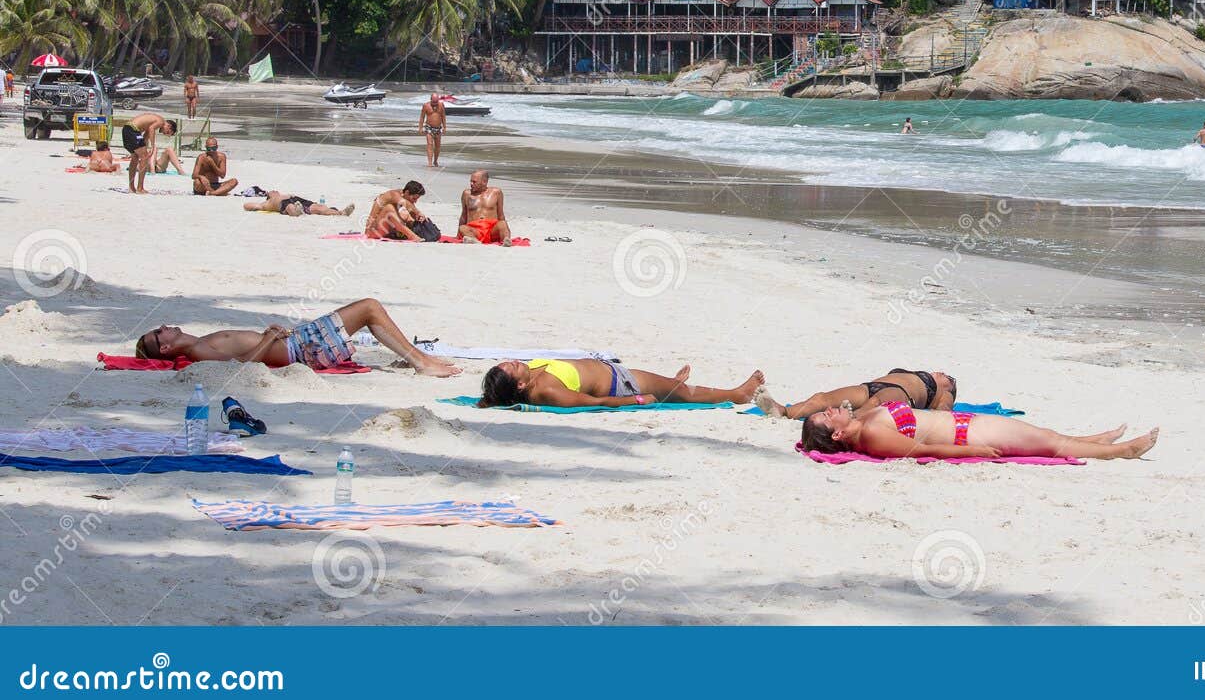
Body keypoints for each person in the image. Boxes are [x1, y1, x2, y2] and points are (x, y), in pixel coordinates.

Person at [133, 297, 460, 377]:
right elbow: (243, 367)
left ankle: (421, 358)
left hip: (297, 342)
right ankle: (420, 361)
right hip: (300, 349)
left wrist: (268, 336)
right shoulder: (199, 352)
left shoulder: (199, 343)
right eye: (160, 331)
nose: (166, 325)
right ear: (164, 346)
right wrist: (269, 337)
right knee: (370, 308)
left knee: (369, 309)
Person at [800, 404, 1159, 461]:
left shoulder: (862, 419)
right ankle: (1121, 452)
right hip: (968, 436)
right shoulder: (873, 437)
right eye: (827, 417)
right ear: (836, 436)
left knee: (1045, 434)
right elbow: (921, 450)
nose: (832, 410)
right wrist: (972, 453)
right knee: (1050, 445)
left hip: (966, 422)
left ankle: (1096, 440)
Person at [478, 358, 765, 410]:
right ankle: (738, 394)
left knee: (673, 388)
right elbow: (594, 403)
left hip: (614, 373)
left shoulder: (531, 374)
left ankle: (670, 385)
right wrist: (634, 401)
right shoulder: (547, 391)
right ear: (518, 386)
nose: (515, 361)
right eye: (512, 367)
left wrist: (489, 398)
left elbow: (493, 396)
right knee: (685, 394)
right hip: (621, 385)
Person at [755, 367, 956, 419]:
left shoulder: (943, 394)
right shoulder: (915, 374)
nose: (944, 374)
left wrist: (944, 404)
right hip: (869, 387)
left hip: (901, 394)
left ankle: (852, 419)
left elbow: (944, 414)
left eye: (949, 379)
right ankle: (783, 411)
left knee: (876, 403)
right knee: (821, 398)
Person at [121, 112, 176, 194]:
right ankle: (140, 188)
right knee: (144, 158)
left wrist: (145, 148)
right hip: (133, 130)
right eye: (167, 132)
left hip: (127, 129)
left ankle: (131, 187)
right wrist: (153, 146)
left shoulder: (152, 121)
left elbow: (145, 137)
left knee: (135, 158)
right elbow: (151, 129)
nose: (164, 133)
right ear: (169, 126)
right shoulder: (161, 121)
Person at [457, 169, 511, 243]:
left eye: (474, 182)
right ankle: (474, 240)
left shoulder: (496, 192)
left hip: (492, 229)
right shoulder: (467, 194)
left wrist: (506, 231)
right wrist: (458, 234)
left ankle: (506, 240)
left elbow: (501, 215)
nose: (471, 184)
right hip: (475, 230)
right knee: (463, 228)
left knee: (502, 224)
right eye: (471, 181)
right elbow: (464, 215)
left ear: (484, 182)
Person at [243, 190, 354, 217]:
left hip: (298, 200)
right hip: (284, 204)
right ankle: (296, 212)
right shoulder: (266, 203)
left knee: (319, 207)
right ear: (269, 195)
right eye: (272, 191)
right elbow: (246, 206)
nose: (274, 190)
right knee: (290, 207)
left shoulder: (284, 194)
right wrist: (258, 206)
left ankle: (341, 213)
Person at [418, 95, 447, 167]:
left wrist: (444, 127)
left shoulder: (441, 105)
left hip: (438, 128)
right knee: (430, 144)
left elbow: (443, 116)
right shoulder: (426, 105)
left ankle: (435, 161)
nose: (435, 103)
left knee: (437, 146)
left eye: (436, 101)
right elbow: (422, 117)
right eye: (433, 102)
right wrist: (420, 128)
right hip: (429, 127)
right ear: (431, 100)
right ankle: (430, 162)